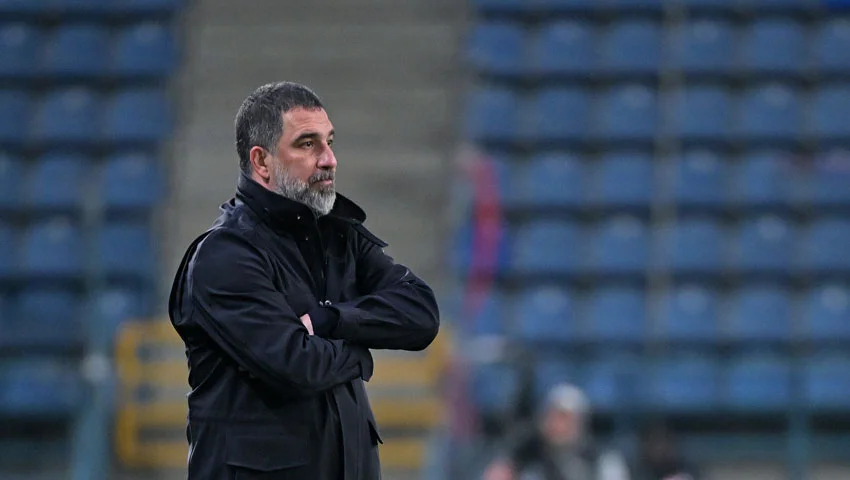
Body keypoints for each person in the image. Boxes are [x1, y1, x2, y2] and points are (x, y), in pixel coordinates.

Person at [168, 81, 440, 479]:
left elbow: (421, 314)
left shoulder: (339, 236)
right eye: (307, 144)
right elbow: (298, 366)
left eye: (329, 142)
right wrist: (362, 352)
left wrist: (332, 320)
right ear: (261, 161)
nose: (329, 159)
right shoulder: (224, 255)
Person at [483, 383, 631, 480]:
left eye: (565, 418)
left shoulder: (602, 459)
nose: (557, 424)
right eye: (552, 415)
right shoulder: (524, 453)